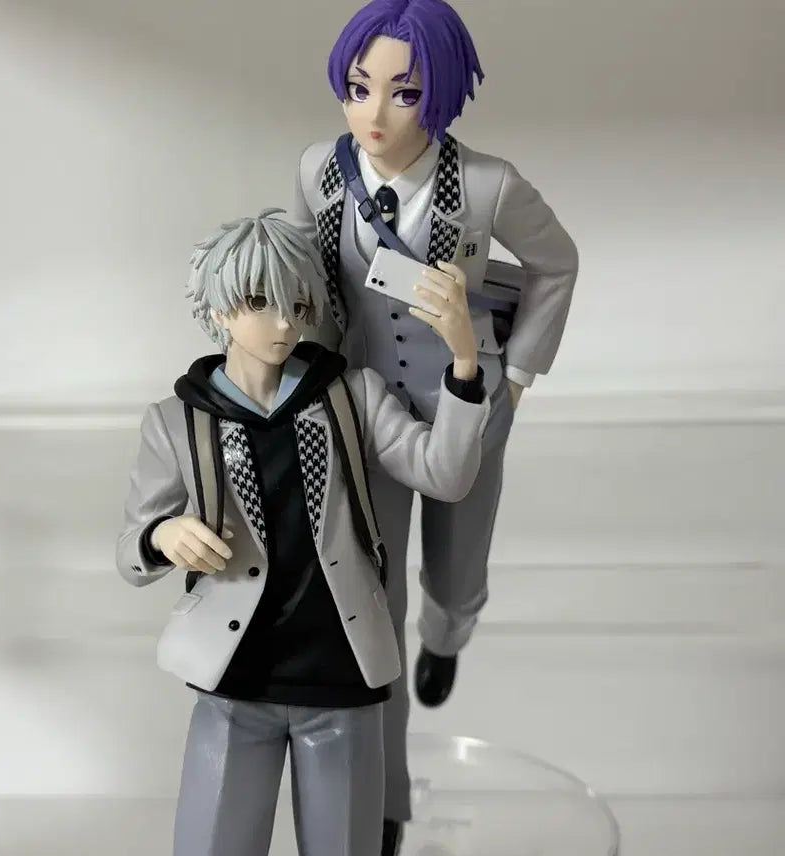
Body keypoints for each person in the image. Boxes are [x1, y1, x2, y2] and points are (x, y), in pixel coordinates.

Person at [292, 1, 580, 850]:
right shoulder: (320, 172)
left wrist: (516, 376)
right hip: (367, 407)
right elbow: (306, 279)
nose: (375, 113)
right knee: (370, 606)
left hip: (466, 404)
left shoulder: (488, 185)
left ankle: (449, 635)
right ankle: (385, 802)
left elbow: (556, 263)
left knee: (454, 569)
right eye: (359, 87)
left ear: (443, 94)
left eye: (404, 92)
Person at [115, 208, 491, 856]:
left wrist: (464, 362)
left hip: (340, 677)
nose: (285, 323)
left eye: (297, 303)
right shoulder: (178, 421)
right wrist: (163, 536)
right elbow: (130, 551)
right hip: (235, 679)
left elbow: (445, 473)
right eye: (261, 303)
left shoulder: (350, 395)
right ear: (220, 308)